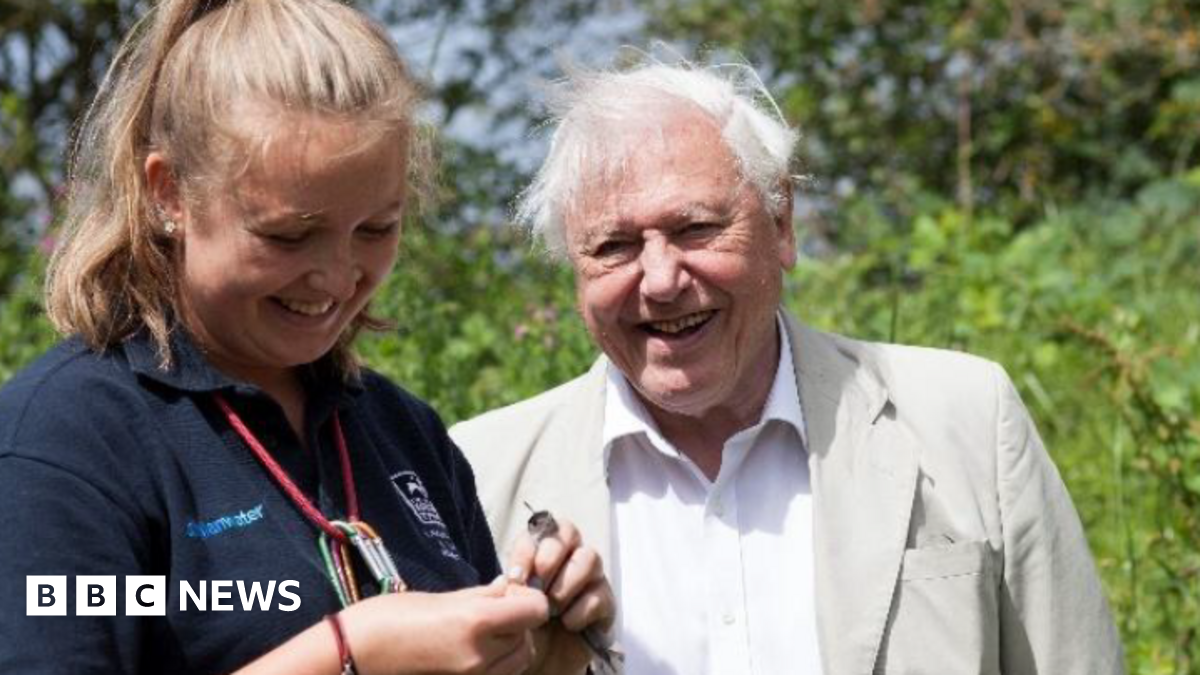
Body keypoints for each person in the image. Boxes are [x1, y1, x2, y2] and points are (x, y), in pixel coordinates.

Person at [450, 57, 1125, 674]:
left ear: (781, 225)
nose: (659, 279)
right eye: (614, 245)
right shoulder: (474, 475)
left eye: (695, 229)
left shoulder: (965, 419)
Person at [0, 1, 613, 674]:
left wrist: (540, 655)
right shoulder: (69, 439)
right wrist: (350, 651)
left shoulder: (402, 433)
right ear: (169, 193)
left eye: (377, 228)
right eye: (288, 235)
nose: (336, 275)